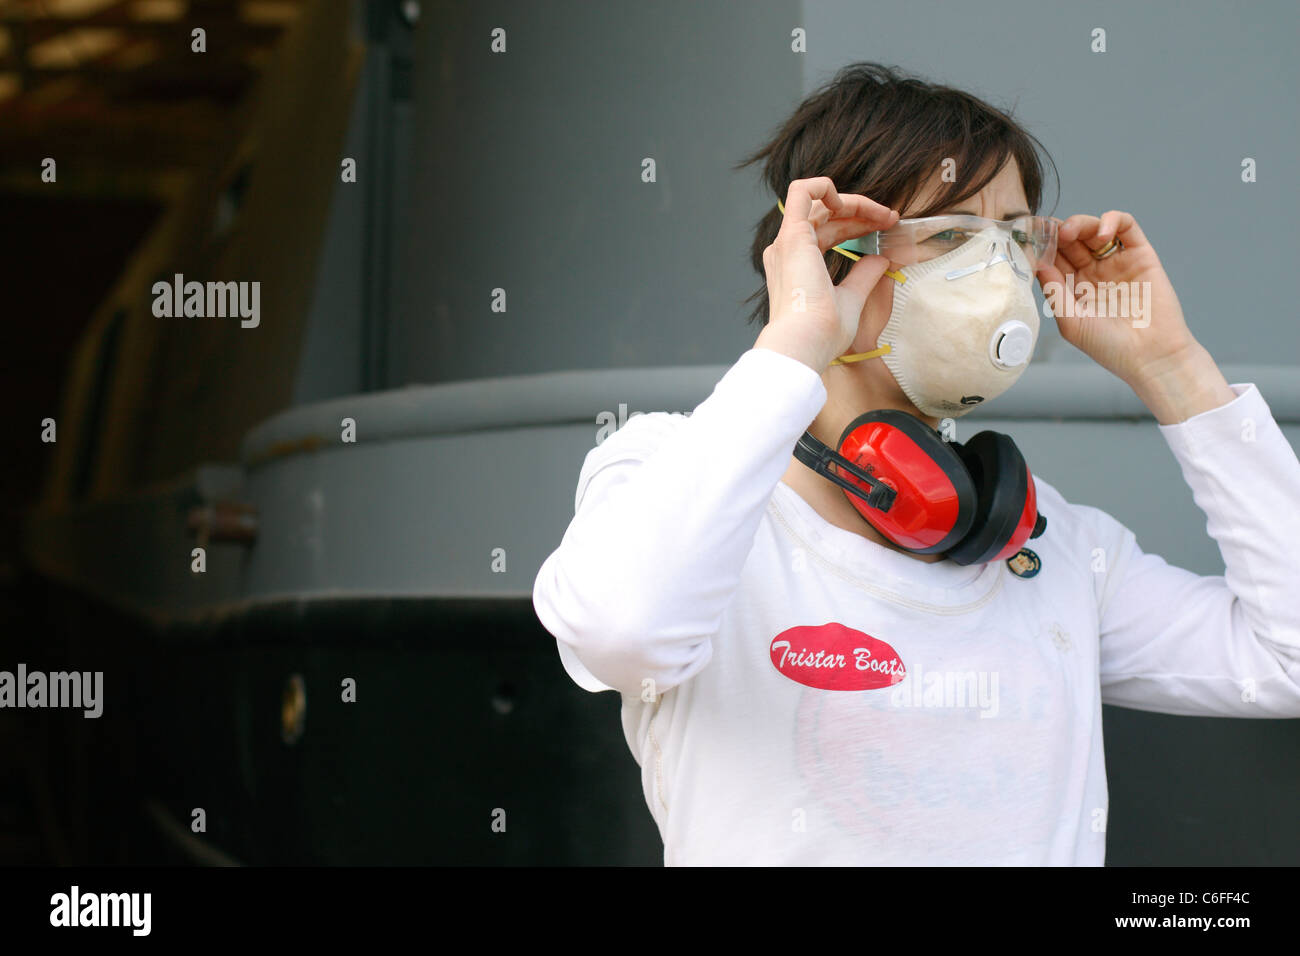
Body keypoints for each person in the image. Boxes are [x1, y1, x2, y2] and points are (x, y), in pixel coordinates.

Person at [531, 62, 1300, 865]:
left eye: (1014, 236)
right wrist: (795, 341)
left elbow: (1290, 659)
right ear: (831, 256)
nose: (999, 274)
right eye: (951, 236)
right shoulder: (669, 473)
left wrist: (1172, 367)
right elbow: (623, 631)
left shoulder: (1050, 544)